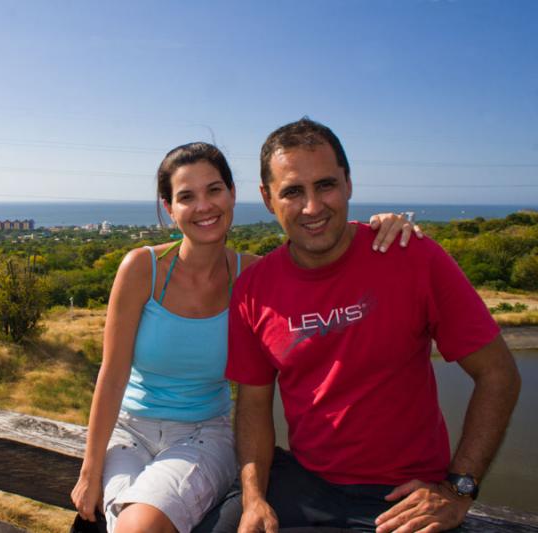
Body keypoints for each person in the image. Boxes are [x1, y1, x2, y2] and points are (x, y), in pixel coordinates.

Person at [71, 142, 420, 533]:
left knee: (137, 527)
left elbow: (322, 256)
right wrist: (90, 469)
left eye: (214, 190)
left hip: (204, 434)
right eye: (187, 196)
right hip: (130, 430)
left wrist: (382, 229)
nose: (204, 206)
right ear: (170, 209)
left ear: (234, 194)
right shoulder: (142, 269)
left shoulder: (252, 277)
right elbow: (113, 374)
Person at [202, 118, 521, 533]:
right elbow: (254, 407)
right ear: (267, 199)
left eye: (326, 185)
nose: (313, 207)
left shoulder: (411, 256)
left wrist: (459, 488)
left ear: (349, 183)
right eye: (293, 192)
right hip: (303, 482)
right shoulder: (253, 289)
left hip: (399, 495)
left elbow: (498, 374)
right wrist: (254, 498)